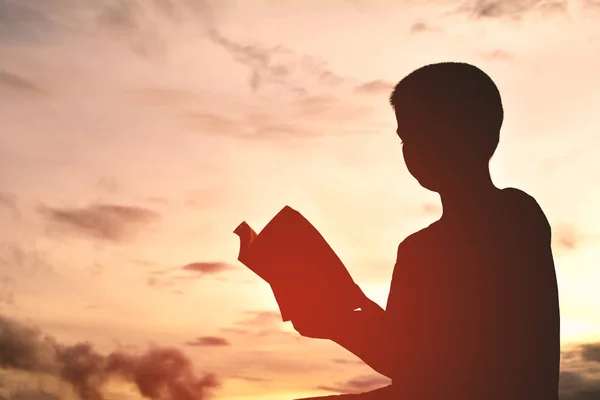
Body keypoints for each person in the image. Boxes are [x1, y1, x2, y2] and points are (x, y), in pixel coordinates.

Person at [293, 62, 560, 400]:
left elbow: (428, 367)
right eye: (407, 138)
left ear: (483, 134)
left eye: (428, 132)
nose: (415, 148)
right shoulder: (419, 248)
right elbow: (407, 355)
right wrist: (340, 318)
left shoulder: (515, 216)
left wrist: (341, 324)